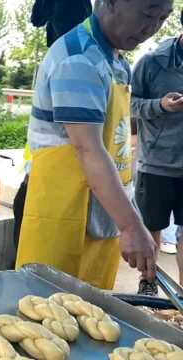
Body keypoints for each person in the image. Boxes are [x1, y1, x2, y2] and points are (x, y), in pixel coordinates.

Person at [14, 0, 174, 290]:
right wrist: (130, 225)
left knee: (91, 313)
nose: (152, 28)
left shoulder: (116, 61)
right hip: (60, 212)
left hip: (100, 215)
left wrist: (128, 218)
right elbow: (88, 148)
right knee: (46, 312)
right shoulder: (79, 59)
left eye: (162, 18)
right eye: (148, 12)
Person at [131, 10, 183, 292]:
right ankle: (147, 282)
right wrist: (160, 106)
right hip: (157, 164)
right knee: (151, 228)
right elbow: (128, 104)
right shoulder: (153, 62)